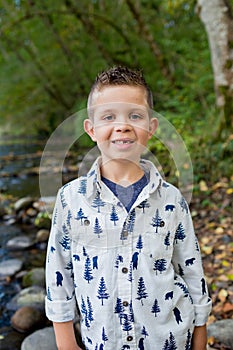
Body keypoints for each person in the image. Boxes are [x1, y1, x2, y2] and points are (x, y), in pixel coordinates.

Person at [45, 66, 212, 350]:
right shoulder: (71, 199)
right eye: (109, 117)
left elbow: (192, 271)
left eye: (135, 116)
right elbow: (58, 273)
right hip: (103, 342)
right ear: (91, 129)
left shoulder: (172, 200)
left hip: (168, 341)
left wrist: (199, 337)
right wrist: (66, 344)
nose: (122, 126)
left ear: (151, 128)